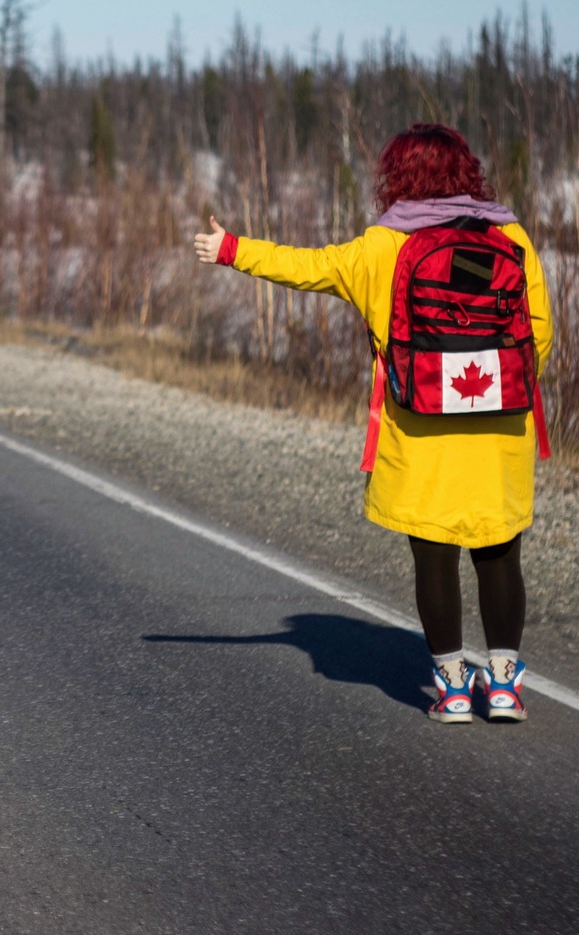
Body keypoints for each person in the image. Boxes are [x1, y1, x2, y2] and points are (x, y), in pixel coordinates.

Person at [193, 123, 552, 723]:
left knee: (433, 553)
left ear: (398, 177)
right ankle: (506, 686)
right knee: (499, 553)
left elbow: (306, 266)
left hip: (421, 426)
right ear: (468, 171)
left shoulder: (383, 248)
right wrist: (492, 384)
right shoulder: (511, 235)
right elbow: (539, 332)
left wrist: (232, 249)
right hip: (498, 423)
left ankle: (455, 689)